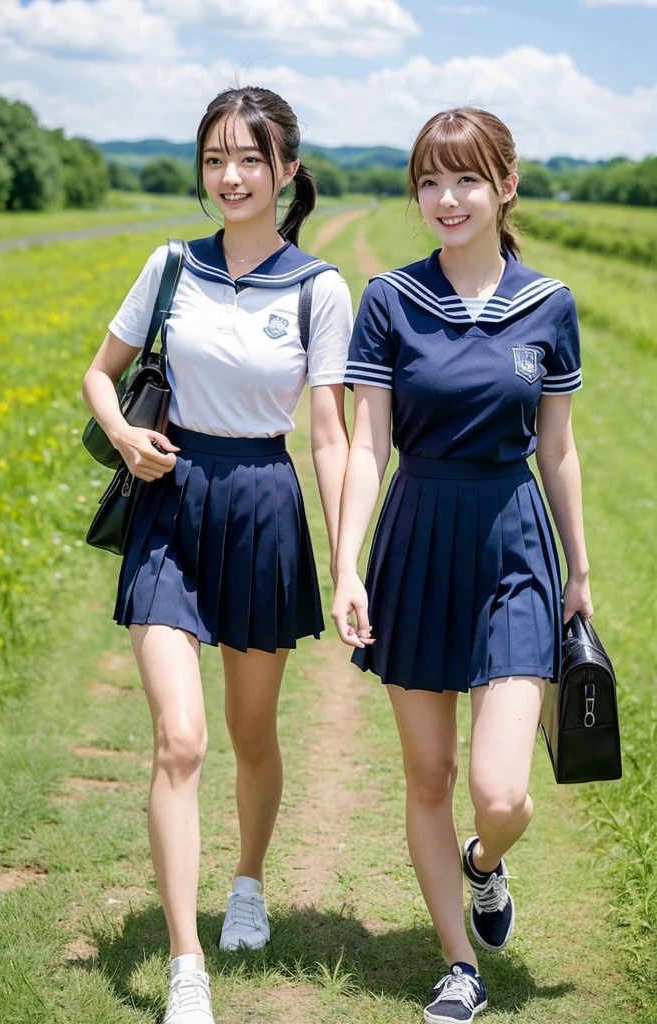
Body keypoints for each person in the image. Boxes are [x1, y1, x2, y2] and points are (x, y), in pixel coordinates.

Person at [82, 86, 351, 1024]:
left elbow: (328, 434)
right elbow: (100, 372)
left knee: (251, 734)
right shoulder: (168, 266)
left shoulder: (320, 288)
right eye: (213, 159)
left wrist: (345, 553)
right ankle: (185, 963)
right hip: (170, 501)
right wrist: (122, 436)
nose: (229, 176)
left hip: (263, 508)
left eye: (248, 159)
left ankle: (246, 881)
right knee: (181, 740)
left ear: (285, 171)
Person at [332, 107, 592, 1024]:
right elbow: (368, 446)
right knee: (431, 778)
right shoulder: (391, 302)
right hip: (417, 539)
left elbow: (556, 449)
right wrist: (349, 565)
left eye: (467, 179)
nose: (447, 199)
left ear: (504, 186)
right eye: (431, 182)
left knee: (502, 791)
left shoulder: (548, 304)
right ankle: (458, 966)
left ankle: (484, 864)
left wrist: (580, 570)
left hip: (516, 543)